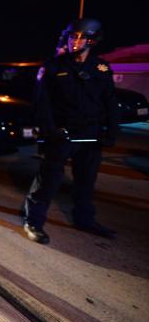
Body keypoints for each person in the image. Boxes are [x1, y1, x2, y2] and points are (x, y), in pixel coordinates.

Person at [21, 19, 119, 244]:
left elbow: (110, 102)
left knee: (86, 181)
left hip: (91, 135)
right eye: (72, 37)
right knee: (48, 181)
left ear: (92, 40)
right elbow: (42, 103)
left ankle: (84, 220)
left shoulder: (101, 68)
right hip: (62, 134)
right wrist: (50, 130)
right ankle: (33, 222)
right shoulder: (53, 67)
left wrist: (111, 131)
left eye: (81, 37)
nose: (75, 41)